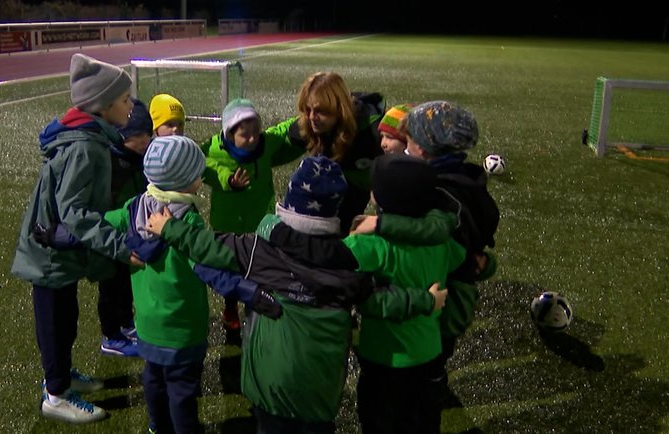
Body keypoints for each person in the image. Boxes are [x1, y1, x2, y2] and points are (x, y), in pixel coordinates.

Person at [146, 155, 447, 433]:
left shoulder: (258, 250)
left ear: (288, 201)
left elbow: (207, 245)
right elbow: (379, 302)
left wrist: (168, 227)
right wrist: (425, 301)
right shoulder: (348, 265)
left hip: (269, 387)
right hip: (319, 393)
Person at [10, 53, 142, 424]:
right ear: (102, 106)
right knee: (55, 321)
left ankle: (62, 377)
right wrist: (120, 247)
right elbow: (77, 213)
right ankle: (55, 394)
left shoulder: (90, 137)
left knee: (65, 317)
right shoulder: (86, 146)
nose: (131, 106)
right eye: (124, 100)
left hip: (58, 247)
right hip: (50, 251)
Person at [355, 100, 500, 432]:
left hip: (443, 305)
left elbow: (435, 236)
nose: (405, 145)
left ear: (426, 146)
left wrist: (381, 225)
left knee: (415, 387)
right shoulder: (463, 177)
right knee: (425, 382)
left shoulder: (440, 190)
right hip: (447, 296)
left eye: (411, 140)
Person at [344, 154, 481, 434]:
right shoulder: (441, 243)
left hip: (383, 356)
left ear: (379, 198)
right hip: (429, 353)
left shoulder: (368, 243)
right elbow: (466, 262)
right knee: (422, 420)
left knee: (378, 421)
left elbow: (337, 270)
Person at [102, 135, 211, 434]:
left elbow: (100, 224)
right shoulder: (189, 222)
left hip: (148, 325)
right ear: (184, 180)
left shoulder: (133, 208)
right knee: (182, 391)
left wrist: (62, 233)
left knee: (153, 380)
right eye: (196, 174)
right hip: (183, 329)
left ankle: (156, 427)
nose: (200, 178)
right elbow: (207, 264)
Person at [201, 98, 304, 332]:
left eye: (255, 132)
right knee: (230, 267)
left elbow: (283, 132)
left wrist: (304, 123)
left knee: (259, 267)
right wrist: (227, 178)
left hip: (259, 219)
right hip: (227, 223)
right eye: (244, 134)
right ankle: (230, 307)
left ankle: (256, 308)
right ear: (229, 133)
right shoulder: (214, 148)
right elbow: (202, 165)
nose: (252, 139)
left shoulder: (264, 143)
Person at [269, 72, 386, 235]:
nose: (311, 117)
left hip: (356, 192)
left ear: (339, 109)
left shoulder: (373, 134)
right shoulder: (309, 123)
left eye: (319, 111)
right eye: (307, 109)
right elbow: (274, 143)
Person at [97, 98, 152, 357]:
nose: (144, 141)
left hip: (129, 237)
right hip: (111, 239)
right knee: (110, 286)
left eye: (147, 135)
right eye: (137, 136)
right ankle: (110, 334)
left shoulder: (139, 159)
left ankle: (126, 323)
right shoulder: (109, 162)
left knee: (125, 285)